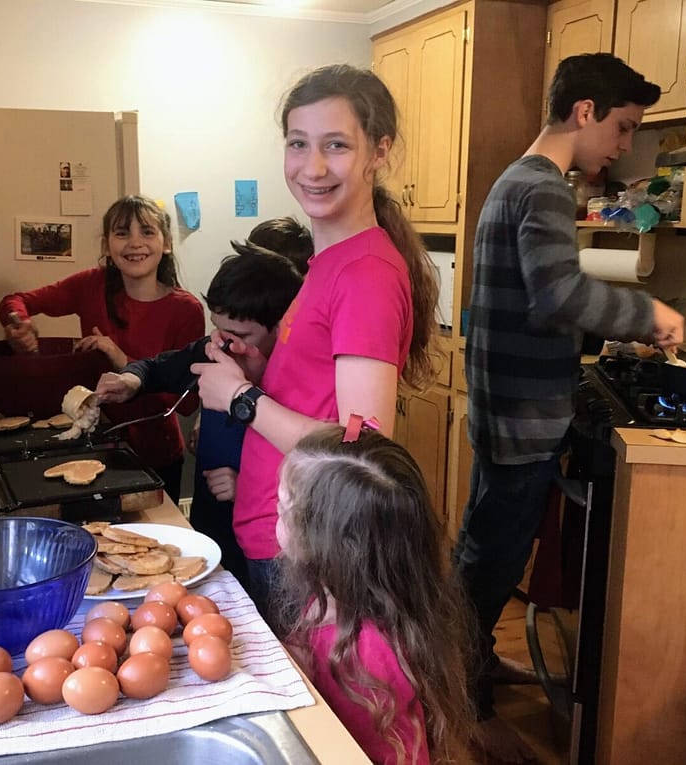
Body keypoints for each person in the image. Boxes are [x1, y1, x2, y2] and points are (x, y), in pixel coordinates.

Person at [457, 52, 685, 763]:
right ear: (583, 111)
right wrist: (647, 311)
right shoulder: (545, 189)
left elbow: (537, 296)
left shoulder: (511, 181)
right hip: (524, 414)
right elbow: (559, 296)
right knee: (491, 559)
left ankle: (463, 668)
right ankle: (458, 694)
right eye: (621, 128)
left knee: (482, 550)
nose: (622, 146)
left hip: (502, 406)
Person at [192, 63, 439, 615]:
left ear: (379, 150)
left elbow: (360, 446)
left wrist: (241, 399)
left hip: (305, 548)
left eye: (336, 145)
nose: (314, 167)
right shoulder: (327, 264)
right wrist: (258, 373)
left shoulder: (366, 275)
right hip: (281, 536)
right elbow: (324, 396)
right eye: (298, 144)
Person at [95, 235, 307, 592]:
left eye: (240, 334)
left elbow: (314, 468)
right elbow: (161, 366)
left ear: (282, 327)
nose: (224, 343)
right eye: (218, 328)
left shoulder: (292, 383)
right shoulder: (215, 349)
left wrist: (248, 486)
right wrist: (132, 380)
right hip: (211, 523)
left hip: (265, 542)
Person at [273, 423, 474, 765]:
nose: (274, 513)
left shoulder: (369, 655)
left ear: (324, 542)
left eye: (281, 508)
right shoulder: (334, 597)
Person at [0, 194, 205, 503]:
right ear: (107, 246)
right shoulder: (90, 286)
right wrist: (19, 324)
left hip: (156, 455)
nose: (135, 243)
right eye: (122, 233)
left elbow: (187, 404)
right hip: (92, 445)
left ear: (166, 243)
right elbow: (16, 301)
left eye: (147, 232)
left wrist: (124, 361)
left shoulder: (186, 310)